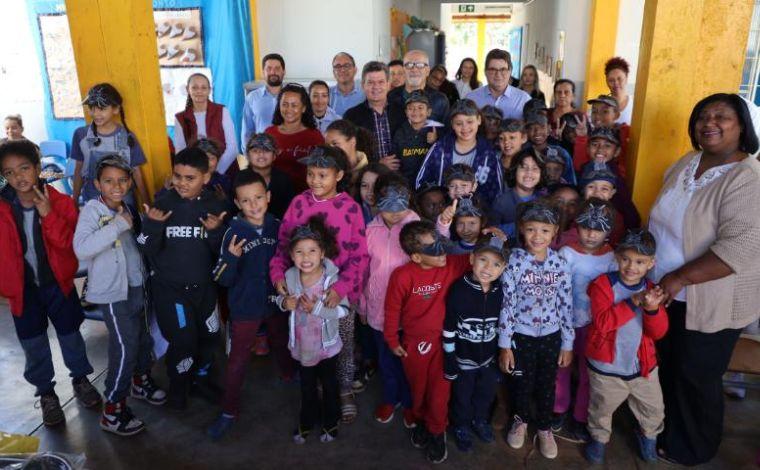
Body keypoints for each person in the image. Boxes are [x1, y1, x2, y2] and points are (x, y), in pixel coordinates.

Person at [649, 93, 760, 466]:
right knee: (670, 365)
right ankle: (665, 430)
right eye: (702, 117)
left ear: (741, 125)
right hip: (667, 291)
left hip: (710, 298)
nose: (709, 123)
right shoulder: (688, 162)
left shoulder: (747, 177)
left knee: (697, 374)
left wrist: (680, 277)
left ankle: (694, 447)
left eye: (721, 116)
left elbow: (740, 246)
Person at [0, 139, 101, 426]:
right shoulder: (2, 208)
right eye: (9, 172)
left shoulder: (61, 203)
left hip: (58, 284)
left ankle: (80, 379)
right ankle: (46, 393)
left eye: (24, 168)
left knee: (70, 335)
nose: (18, 177)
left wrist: (48, 216)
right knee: (33, 344)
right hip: (23, 292)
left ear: (37, 168)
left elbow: (71, 246)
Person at [269, 146, 369, 424]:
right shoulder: (298, 203)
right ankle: (318, 389)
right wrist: (278, 276)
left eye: (322, 175)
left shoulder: (351, 208)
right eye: (311, 174)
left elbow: (360, 256)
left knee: (342, 343)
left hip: (338, 296)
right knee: (310, 342)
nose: (315, 180)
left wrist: (340, 289)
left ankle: (344, 389)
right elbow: (283, 245)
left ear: (339, 175)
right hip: (303, 293)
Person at [73, 155, 165, 436]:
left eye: (122, 180)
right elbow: (82, 248)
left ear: (130, 182)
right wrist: (117, 225)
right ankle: (113, 409)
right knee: (125, 346)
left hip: (137, 286)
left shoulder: (128, 208)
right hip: (113, 293)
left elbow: (136, 246)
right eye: (109, 181)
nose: (116, 186)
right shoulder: (92, 211)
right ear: (97, 184)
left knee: (142, 338)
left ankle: (140, 380)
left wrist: (149, 227)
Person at [137, 147, 228, 410]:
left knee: (210, 336)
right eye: (178, 176)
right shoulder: (162, 204)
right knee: (183, 341)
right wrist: (152, 226)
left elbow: (223, 252)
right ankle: (178, 385)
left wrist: (216, 232)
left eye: (190, 178)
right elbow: (144, 246)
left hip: (204, 289)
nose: (182, 183)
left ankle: (201, 379)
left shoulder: (215, 206)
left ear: (206, 177)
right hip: (171, 291)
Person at [206, 169, 288, 439]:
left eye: (258, 198)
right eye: (246, 200)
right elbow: (221, 278)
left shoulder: (278, 225)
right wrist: (230, 258)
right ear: (237, 203)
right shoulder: (233, 232)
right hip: (245, 308)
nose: (253, 205)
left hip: (275, 302)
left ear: (268, 197)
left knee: (281, 340)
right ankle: (228, 410)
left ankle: (289, 375)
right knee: (238, 360)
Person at [384, 221, 472, 464]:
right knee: (418, 389)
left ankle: (436, 431)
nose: (442, 252)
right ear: (415, 256)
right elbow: (392, 310)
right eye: (433, 250)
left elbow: (478, 258)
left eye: (441, 245)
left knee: (439, 392)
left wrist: (494, 239)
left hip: (446, 344)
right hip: (414, 345)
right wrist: (391, 339)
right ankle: (422, 420)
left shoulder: (451, 264)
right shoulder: (402, 276)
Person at [498, 199, 574, 460]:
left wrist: (567, 343)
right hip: (521, 336)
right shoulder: (513, 262)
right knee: (521, 382)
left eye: (544, 230)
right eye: (531, 229)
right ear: (521, 228)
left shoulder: (560, 264)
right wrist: (505, 344)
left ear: (555, 232)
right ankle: (520, 421)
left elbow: (566, 304)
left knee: (546, 385)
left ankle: (544, 427)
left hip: (551, 337)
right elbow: (507, 304)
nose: (537, 236)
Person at [584, 229, 668, 464]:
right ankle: (599, 439)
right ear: (617, 257)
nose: (632, 267)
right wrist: (633, 301)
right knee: (601, 409)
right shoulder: (603, 285)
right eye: (625, 259)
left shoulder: (652, 289)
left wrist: (652, 309)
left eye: (640, 262)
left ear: (651, 263)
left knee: (653, 408)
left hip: (642, 368)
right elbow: (602, 323)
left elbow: (658, 332)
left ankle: (648, 436)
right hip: (607, 369)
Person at [278, 217, 349, 444]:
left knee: (329, 385)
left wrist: (317, 308)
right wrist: (283, 303)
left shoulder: (332, 280)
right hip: (303, 346)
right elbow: (277, 298)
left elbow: (343, 311)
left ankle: (331, 420)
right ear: (291, 255)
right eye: (299, 252)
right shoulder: (289, 276)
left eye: (312, 251)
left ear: (322, 254)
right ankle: (307, 420)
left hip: (327, 347)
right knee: (306, 386)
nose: (306, 257)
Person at [553, 198, 616, 443]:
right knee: (561, 367)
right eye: (586, 227)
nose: (591, 234)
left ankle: (581, 416)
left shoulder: (612, 258)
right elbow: (557, 289)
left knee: (589, 374)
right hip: (565, 323)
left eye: (598, 229)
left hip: (595, 327)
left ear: (608, 231)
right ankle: (558, 409)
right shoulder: (566, 254)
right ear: (576, 226)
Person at [364, 174, 419, 426]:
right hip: (378, 310)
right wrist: (362, 305)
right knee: (386, 360)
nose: (395, 214)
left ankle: (409, 402)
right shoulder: (370, 230)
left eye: (401, 207)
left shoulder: (415, 227)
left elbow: (432, 253)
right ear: (375, 201)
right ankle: (390, 397)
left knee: (408, 362)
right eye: (388, 208)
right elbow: (365, 271)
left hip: (408, 312)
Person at [444, 237, 508, 452]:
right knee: (462, 397)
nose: (488, 268)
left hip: (489, 360)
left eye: (496, 264)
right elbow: (449, 327)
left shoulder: (501, 291)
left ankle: (479, 420)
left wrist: (501, 353)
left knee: (485, 394)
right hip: (463, 360)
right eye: (483, 260)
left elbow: (503, 326)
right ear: (471, 259)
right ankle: (460, 425)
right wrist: (449, 358)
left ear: (503, 269)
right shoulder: (458, 290)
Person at [72, 83, 150, 205]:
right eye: (92, 108)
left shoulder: (126, 137)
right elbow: (78, 170)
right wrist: (74, 201)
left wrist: (147, 203)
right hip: (93, 200)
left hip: (123, 201)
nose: (95, 114)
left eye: (102, 109)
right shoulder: (81, 135)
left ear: (116, 109)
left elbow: (136, 172)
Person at [416, 99, 503, 205]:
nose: (465, 127)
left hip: (477, 212)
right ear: (452, 124)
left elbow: (496, 192)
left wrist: (480, 210)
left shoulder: (489, 153)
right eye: (459, 123)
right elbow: (421, 183)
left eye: (470, 122)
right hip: (441, 210)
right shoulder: (439, 148)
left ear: (479, 120)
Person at [344, 61, 405, 169]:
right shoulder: (351, 116)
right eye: (370, 82)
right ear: (363, 85)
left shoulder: (402, 111)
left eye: (381, 82)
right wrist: (377, 164)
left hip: (401, 175)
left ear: (388, 84)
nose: (376, 87)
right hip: (367, 174)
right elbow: (348, 152)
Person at [174, 73, 238, 174]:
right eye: (194, 87)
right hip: (195, 174)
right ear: (187, 89)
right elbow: (181, 152)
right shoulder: (180, 118)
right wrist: (198, 175)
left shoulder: (222, 111)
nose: (199, 91)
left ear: (209, 90)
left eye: (203, 88)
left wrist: (216, 173)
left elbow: (232, 148)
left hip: (225, 171)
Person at [265, 83, 324, 193]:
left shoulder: (315, 136)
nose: (289, 109)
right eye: (285, 104)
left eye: (294, 105)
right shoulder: (269, 133)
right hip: (274, 195)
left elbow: (323, 170)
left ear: (304, 108)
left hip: (305, 196)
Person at [489, 148, 545, 239]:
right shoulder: (501, 202)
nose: (529, 173)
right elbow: (492, 233)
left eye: (535, 168)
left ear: (541, 174)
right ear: (514, 171)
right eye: (523, 167)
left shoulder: (544, 200)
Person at [573, 95, 631, 177]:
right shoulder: (590, 135)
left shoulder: (625, 133)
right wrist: (581, 138)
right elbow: (580, 166)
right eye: (594, 111)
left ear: (616, 115)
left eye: (605, 111)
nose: (597, 116)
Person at [387, 50, 450, 124]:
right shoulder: (390, 97)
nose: (414, 69)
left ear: (427, 71)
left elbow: (447, 129)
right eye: (409, 65)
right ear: (404, 70)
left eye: (420, 65)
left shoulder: (440, 100)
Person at [466, 49, 530, 120]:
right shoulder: (471, 99)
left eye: (503, 69)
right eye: (493, 69)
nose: (498, 74)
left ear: (510, 71)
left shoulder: (524, 99)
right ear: (485, 72)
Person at [393, 91, 439, 186]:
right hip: (405, 184)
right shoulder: (399, 132)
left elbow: (441, 161)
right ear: (406, 112)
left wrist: (435, 142)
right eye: (411, 108)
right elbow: (395, 162)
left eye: (420, 107)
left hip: (429, 184)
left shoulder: (437, 131)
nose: (415, 111)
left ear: (429, 112)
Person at [245, 133, 295, 219]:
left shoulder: (284, 180)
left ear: (274, 155)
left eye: (266, 150)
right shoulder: (239, 180)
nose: (261, 154)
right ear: (248, 156)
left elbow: (290, 212)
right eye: (255, 151)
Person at [241, 53, 285, 148]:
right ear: (263, 72)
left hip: (289, 150)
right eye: (269, 68)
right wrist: (248, 152)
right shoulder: (252, 98)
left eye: (277, 68)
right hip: (262, 152)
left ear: (284, 72)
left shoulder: (293, 96)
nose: (273, 72)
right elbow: (247, 131)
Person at [524, 113, 576, 184]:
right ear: (526, 131)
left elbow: (571, 182)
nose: (537, 132)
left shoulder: (561, 152)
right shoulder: (524, 152)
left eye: (542, 127)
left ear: (549, 128)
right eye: (531, 128)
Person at [324, 119, 371, 185]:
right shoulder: (325, 170)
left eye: (335, 143)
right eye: (327, 145)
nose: (330, 149)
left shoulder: (370, 171)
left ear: (353, 141)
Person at [329, 52, 366, 116]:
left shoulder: (365, 93)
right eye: (338, 66)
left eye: (347, 66)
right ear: (333, 72)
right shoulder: (326, 94)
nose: (343, 70)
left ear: (355, 70)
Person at [604, 57, 634, 125]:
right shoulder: (601, 105)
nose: (616, 83)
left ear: (626, 79)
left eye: (619, 79)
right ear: (606, 81)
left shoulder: (635, 106)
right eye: (611, 80)